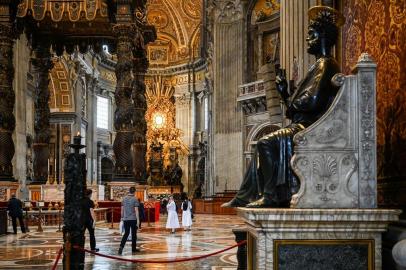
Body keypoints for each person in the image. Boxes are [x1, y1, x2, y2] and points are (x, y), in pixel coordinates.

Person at [222, 6, 344, 208]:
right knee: (262, 144)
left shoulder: (327, 65)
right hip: (304, 125)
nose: (307, 39)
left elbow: (310, 102)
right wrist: (285, 93)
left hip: (311, 128)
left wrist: (293, 99)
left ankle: (272, 196)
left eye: (311, 35)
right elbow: (296, 106)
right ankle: (245, 196)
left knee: (264, 143)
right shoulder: (317, 66)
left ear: (323, 36)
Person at [118, 187, 140, 255]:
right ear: (134, 192)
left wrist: (122, 217)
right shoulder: (135, 199)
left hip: (126, 219)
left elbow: (122, 209)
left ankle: (121, 247)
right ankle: (133, 248)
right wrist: (138, 220)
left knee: (126, 234)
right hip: (133, 219)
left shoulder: (124, 199)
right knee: (134, 234)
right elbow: (136, 210)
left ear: (129, 191)